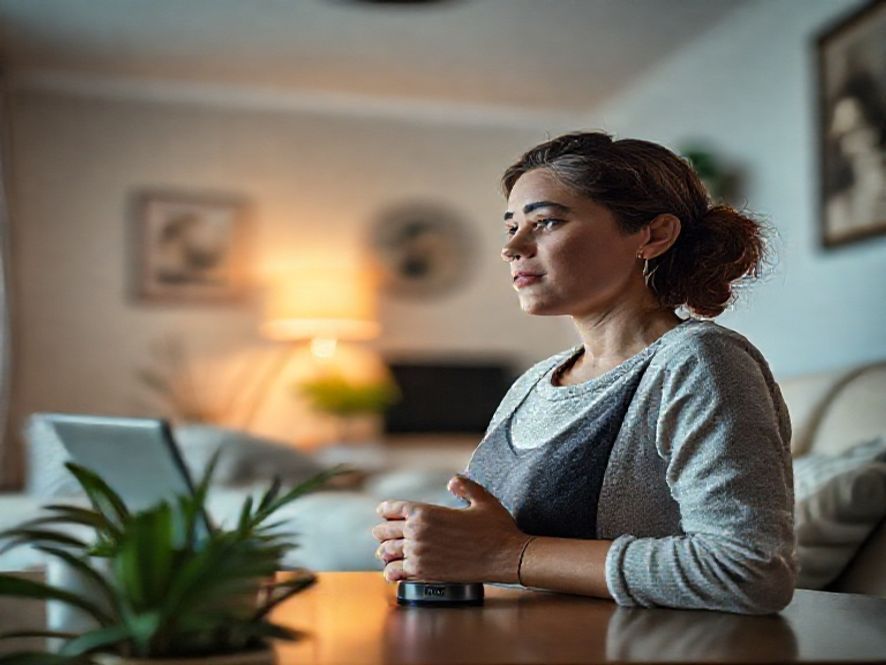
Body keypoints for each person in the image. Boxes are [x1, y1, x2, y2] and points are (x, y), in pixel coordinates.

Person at [371, 131, 796, 614]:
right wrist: (440, 544)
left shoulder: (699, 361)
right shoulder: (534, 382)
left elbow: (749, 571)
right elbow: (491, 540)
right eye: (510, 226)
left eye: (546, 222)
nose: (512, 247)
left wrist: (508, 555)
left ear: (652, 235)